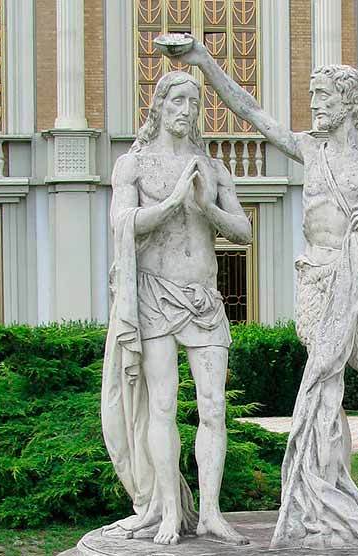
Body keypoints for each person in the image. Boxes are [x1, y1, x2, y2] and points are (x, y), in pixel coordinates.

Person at [168, 39, 358, 548]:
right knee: (327, 395)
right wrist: (206, 62)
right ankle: (329, 496)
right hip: (319, 280)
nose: (314, 104)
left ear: (349, 102)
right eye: (313, 96)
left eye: (322, 96)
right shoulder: (310, 149)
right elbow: (252, 112)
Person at [100, 70, 251, 546]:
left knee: (214, 408)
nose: (186, 110)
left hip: (204, 299)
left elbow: (244, 232)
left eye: (193, 102)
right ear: (159, 106)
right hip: (155, 295)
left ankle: (210, 513)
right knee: (162, 406)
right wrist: (169, 204)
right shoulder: (133, 165)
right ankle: (168, 511)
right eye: (177, 101)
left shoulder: (212, 168)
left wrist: (206, 205)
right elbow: (121, 222)